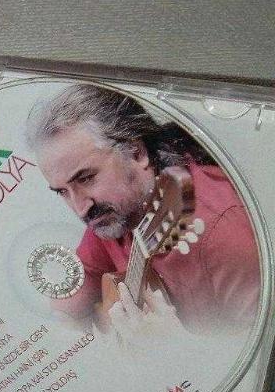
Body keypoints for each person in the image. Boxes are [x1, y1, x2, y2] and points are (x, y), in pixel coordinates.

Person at [26, 84, 260, 335]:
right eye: (62, 191)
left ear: (136, 153)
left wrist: (183, 349)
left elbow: (262, 346)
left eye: (86, 178)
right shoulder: (113, 216)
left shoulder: (223, 233)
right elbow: (68, 303)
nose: (81, 209)